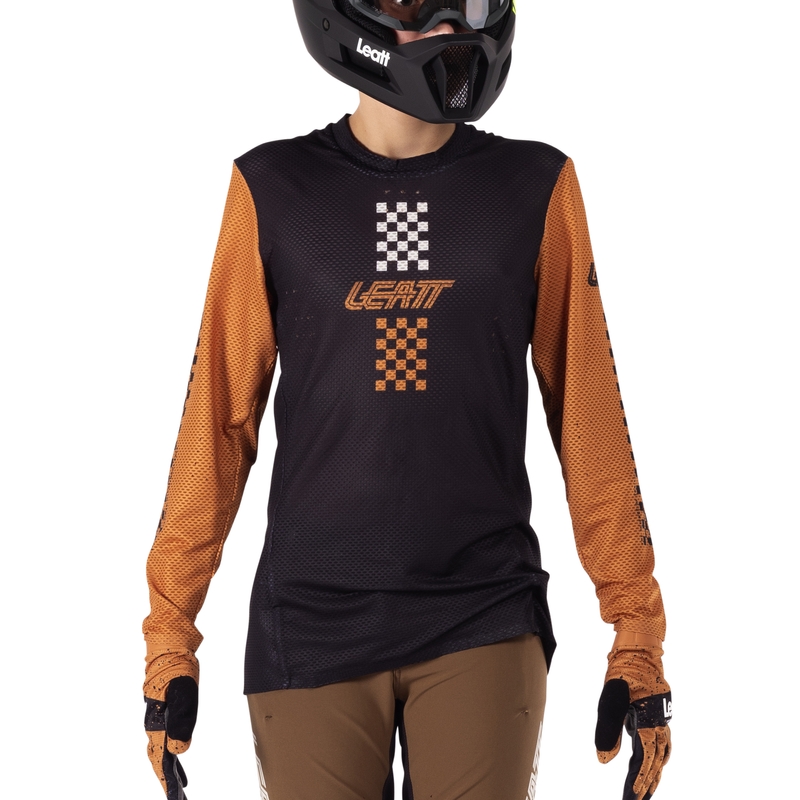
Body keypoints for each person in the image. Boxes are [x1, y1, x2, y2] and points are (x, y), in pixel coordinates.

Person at [142, 2, 672, 799]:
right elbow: (217, 422)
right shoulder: (273, 189)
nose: (447, 25)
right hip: (309, 619)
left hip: (482, 613)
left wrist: (637, 635)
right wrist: (170, 637)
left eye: (466, 2)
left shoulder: (535, 188)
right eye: (410, 2)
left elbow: (588, 419)